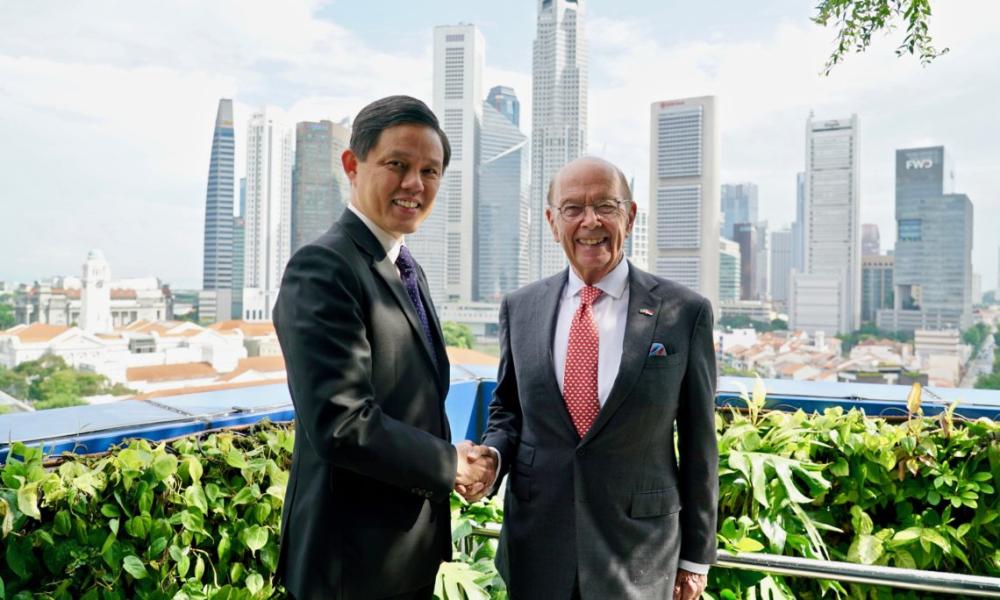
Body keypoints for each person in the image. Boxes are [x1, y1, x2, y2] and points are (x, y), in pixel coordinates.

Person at [273, 95, 496, 600]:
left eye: (430, 170)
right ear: (352, 165)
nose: (415, 184)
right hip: (347, 569)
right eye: (397, 164)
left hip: (402, 560)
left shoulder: (405, 267)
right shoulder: (324, 268)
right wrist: (449, 463)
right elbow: (342, 424)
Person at [473, 156, 719, 599]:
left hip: (640, 557)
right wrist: (492, 457)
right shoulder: (520, 307)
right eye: (573, 209)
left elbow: (700, 442)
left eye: (606, 205)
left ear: (630, 214)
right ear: (551, 221)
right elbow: (508, 409)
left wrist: (696, 557)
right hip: (536, 549)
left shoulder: (685, 312)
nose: (591, 221)